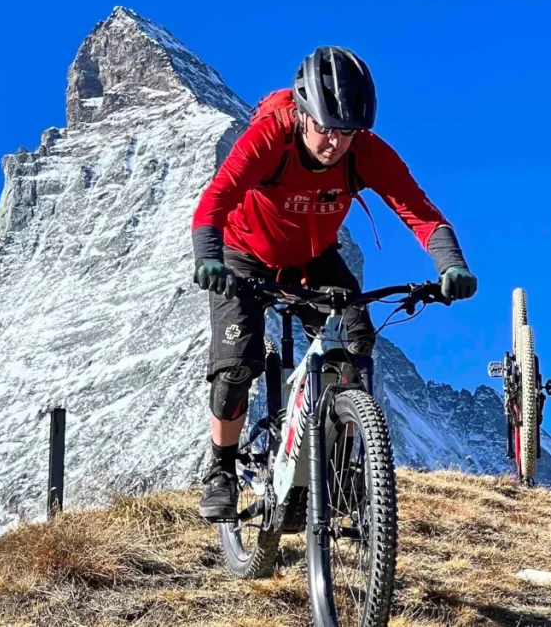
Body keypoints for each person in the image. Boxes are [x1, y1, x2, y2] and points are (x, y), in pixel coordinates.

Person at [189, 45, 478, 521]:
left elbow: (420, 212)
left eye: (347, 133)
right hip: (244, 255)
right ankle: (220, 467)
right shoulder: (269, 139)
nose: (335, 143)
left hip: (312, 257)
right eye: (326, 129)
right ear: (303, 114)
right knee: (236, 364)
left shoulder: (365, 153)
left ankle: (341, 459)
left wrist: (451, 265)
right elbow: (216, 199)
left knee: (356, 338)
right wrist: (209, 257)